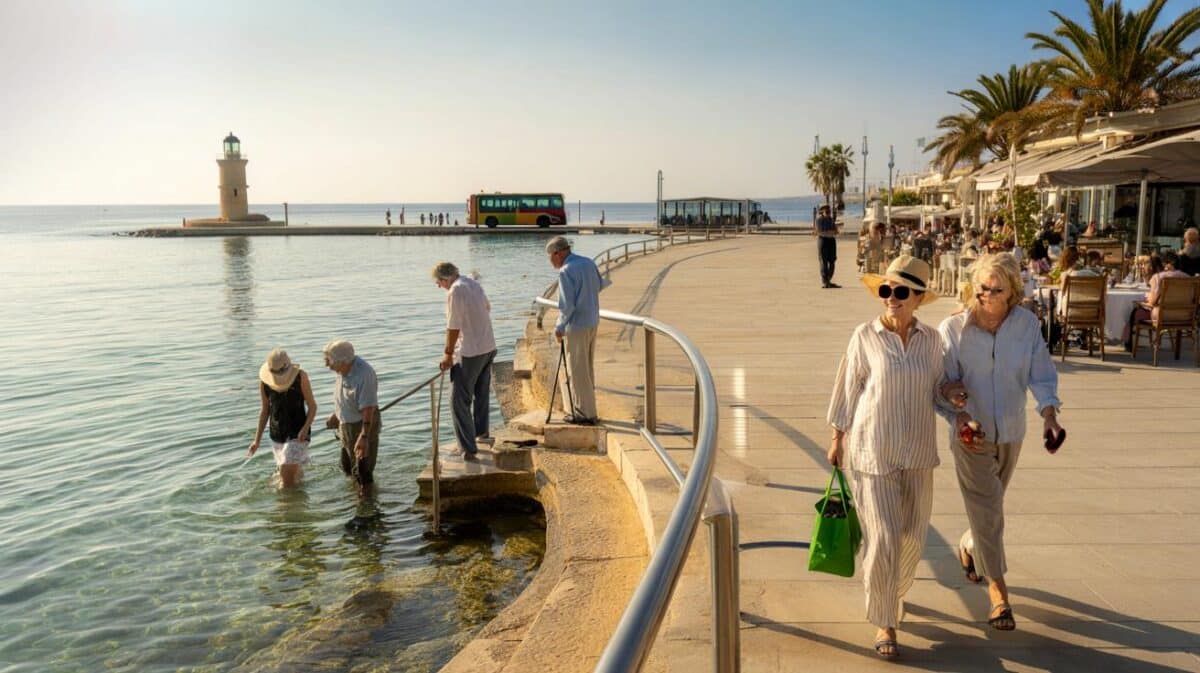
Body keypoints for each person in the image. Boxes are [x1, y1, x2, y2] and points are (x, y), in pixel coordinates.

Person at [827, 255, 947, 659]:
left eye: (899, 292)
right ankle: (885, 621)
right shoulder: (864, 336)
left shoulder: (932, 341)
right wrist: (836, 437)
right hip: (870, 450)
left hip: (917, 451)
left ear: (917, 298)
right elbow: (848, 387)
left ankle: (893, 592)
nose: (890, 299)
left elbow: (939, 390)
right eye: (885, 291)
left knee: (912, 535)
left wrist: (956, 397)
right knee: (881, 538)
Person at [938, 253, 1063, 633]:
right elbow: (943, 383)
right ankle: (998, 594)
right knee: (989, 510)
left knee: (988, 512)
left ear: (1012, 292)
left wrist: (1049, 415)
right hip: (970, 433)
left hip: (1011, 430)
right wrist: (956, 398)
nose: (987, 296)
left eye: (996, 290)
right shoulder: (954, 329)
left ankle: (970, 546)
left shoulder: (1026, 325)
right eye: (981, 289)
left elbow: (1041, 373)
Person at [433, 262, 497, 460]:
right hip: (488, 345)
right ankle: (481, 433)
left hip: (471, 350)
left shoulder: (455, 290)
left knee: (458, 401)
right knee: (481, 393)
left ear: (445, 279)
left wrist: (448, 354)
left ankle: (468, 449)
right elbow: (488, 307)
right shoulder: (472, 283)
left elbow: (453, 326)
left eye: (438, 282)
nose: (438, 286)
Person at [546, 236, 604, 424]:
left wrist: (559, 327)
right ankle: (589, 409)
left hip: (577, 326)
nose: (550, 261)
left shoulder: (565, 271)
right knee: (587, 368)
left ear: (558, 253)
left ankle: (583, 414)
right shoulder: (588, 262)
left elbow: (566, 306)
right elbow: (600, 285)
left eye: (550, 256)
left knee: (577, 371)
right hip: (592, 322)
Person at [248, 348, 317, 487]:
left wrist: (305, 428)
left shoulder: (301, 377)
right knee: (293, 476)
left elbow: (313, 406)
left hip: (298, 432)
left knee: (285, 481)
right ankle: (300, 502)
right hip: (276, 433)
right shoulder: (264, 382)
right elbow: (265, 411)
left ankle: (284, 506)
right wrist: (257, 441)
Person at [323, 340, 380, 487]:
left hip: (361, 426)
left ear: (343, 361)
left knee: (362, 473)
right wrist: (337, 415)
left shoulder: (364, 375)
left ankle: (366, 505)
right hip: (345, 425)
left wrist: (364, 437)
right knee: (347, 467)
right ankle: (355, 499)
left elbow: (368, 409)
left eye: (329, 361)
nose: (327, 365)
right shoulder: (342, 370)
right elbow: (345, 396)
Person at [1123, 250, 1190, 347]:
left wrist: (1144, 300)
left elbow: (1152, 302)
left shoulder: (1158, 277)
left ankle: (1128, 345)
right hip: (1184, 317)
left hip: (1163, 316)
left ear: (1166, 264)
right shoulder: (1188, 278)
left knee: (1134, 313)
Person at [814, 205, 840, 288]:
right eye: (827, 211)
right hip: (823, 241)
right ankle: (825, 281)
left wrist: (830, 232)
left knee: (832, 260)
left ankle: (828, 280)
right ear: (822, 212)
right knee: (823, 261)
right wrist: (830, 232)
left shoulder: (831, 219)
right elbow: (819, 232)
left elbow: (836, 231)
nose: (829, 213)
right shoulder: (819, 220)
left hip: (831, 240)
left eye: (829, 211)